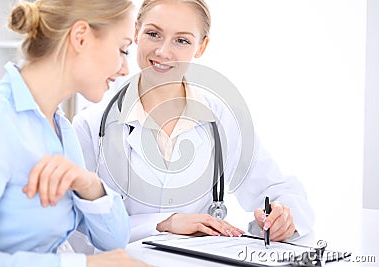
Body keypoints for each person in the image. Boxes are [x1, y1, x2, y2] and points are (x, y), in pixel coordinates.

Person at [73, 0, 315, 243]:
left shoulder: (224, 119)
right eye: (153, 34)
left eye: (182, 40)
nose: (163, 51)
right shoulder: (91, 125)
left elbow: (276, 190)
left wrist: (281, 216)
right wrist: (163, 223)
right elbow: (77, 221)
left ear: (201, 46)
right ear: (136, 31)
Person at [0, 0, 149, 266]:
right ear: (80, 37)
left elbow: (115, 241)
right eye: (122, 49)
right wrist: (83, 265)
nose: (125, 69)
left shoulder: (63, 130)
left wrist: (89, 186)